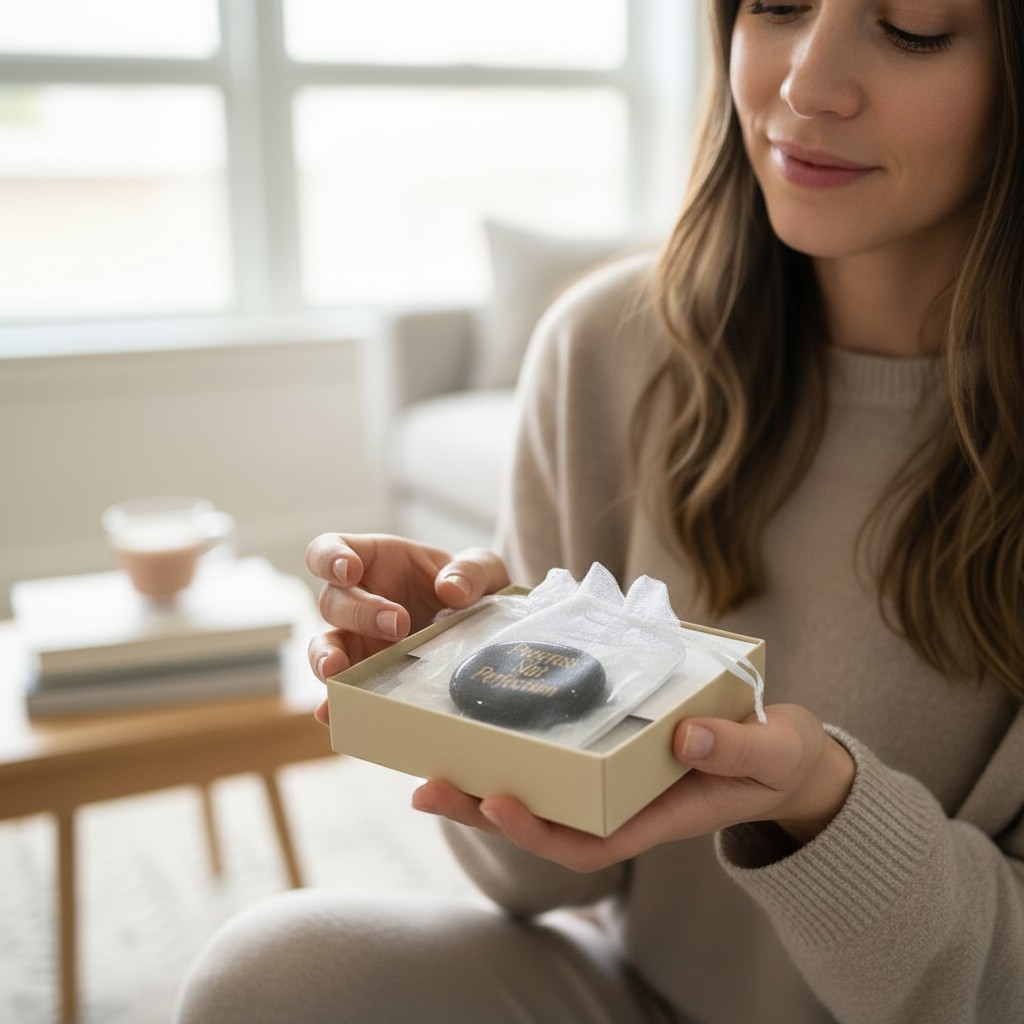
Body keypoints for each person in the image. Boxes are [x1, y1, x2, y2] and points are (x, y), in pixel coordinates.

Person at [173, 1, 1024, 1021]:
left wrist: (820, 804)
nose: (804, 84)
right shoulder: (607, 349)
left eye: (913, 25)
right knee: (274, 973)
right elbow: (545, 883)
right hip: (642, 997)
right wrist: (466, 702)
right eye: (780, 4)